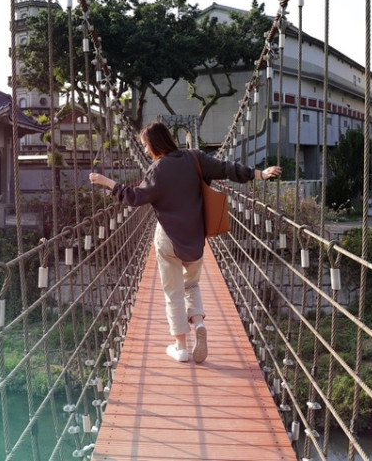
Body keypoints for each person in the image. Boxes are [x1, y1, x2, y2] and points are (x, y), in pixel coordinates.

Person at [89, 121, 282, 363]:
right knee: (191, 285)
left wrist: (107, 183)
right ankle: (199, 322)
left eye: (146, 146)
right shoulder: (195, 158)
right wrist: (259, 174)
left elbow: (134, 197)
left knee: (173, 293)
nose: (146, 152)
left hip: (168, 239)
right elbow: (226, 168)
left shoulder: (157, 170)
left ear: (155, 144)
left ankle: (180, 347)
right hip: (195, 239)